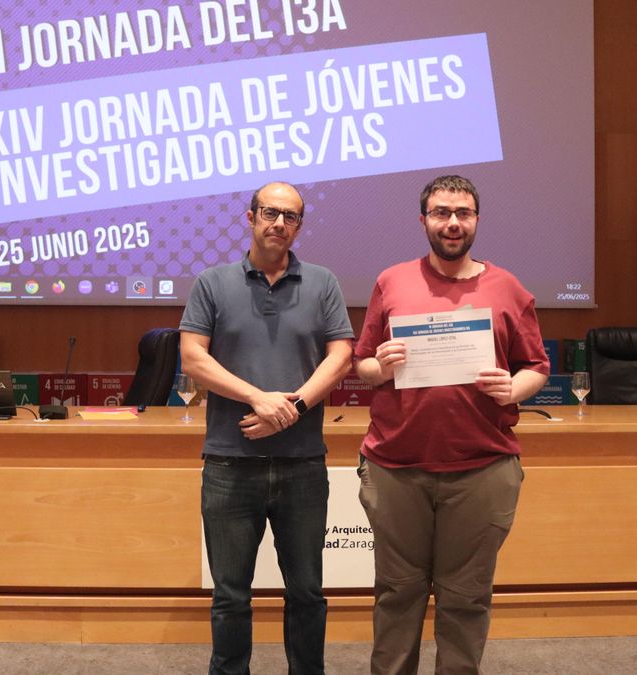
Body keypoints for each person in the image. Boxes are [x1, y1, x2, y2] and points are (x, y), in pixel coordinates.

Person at [354, 175, 550, 674]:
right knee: (397, 594)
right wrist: (383, 366)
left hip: (483, 467)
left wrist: (513, 388)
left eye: (463, 213)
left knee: (466, 598)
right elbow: (363, 366)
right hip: (395, 467)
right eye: (442, 212)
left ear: (477, 220)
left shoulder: (508, 288)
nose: (453, 223)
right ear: (423, 220)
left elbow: (536, 367)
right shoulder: (391, 281)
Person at [179, 181, 355, 675]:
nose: (279, 223)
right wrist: (258, 398)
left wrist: (294, 405)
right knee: (230, 595)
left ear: (299, 225)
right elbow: (193, 357)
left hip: (303, 466)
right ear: (251, 216)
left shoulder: (323, 283)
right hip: (229, 465)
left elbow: (341, 356)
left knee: (307, 592)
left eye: (290, 216)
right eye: (270, 213)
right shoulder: (212, 283)